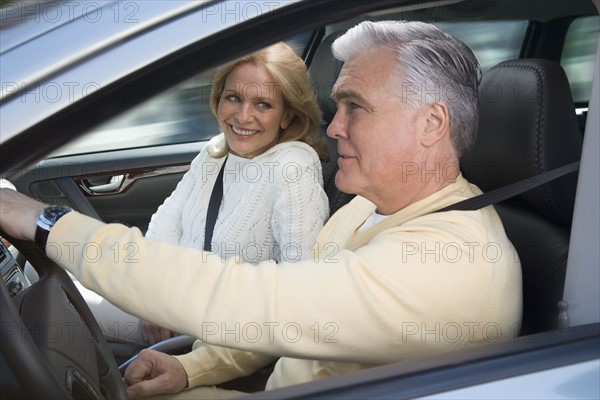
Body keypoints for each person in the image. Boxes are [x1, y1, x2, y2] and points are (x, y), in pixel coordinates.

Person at [0, 20, 522, 399]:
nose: (334, 126)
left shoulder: (455, 261)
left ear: (431, 124)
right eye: (336, 105)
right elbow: (289, 321)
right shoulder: (367, 207)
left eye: (355, 106)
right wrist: (194, 369)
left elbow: (257, 298)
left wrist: (43, 221)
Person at [77, 42, 331, 346]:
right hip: (168, 300)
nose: (243, 116)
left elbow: (299, 285)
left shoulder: (293, 167)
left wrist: (170, 308)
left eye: (263, 104)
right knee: (50, 275)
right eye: (233, 98)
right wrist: (151, 295)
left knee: (57, 305)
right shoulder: (216, 154)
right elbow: (166, 224)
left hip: (214, 333)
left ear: (287, 116)